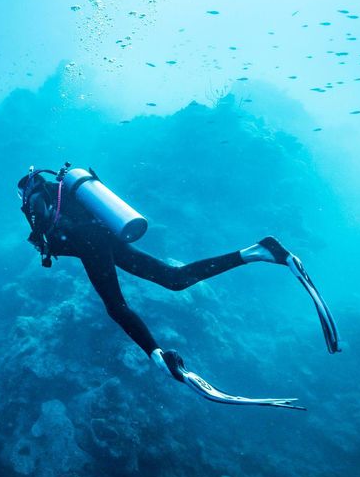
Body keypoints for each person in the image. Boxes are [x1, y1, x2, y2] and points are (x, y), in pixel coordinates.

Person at [18, 164, 339, 410]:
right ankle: (258, 252)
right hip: (102, 234)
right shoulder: (63, 192)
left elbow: (56, 238)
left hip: (92, 240)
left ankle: (159, 356)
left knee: (116, 306)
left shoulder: (34, 201)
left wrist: (44, 241)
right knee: (174, 279)